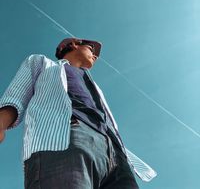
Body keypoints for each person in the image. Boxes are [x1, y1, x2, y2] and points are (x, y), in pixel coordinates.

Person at [0, 37, 147, 188]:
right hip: (66, 138)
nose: (95, 56)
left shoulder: (94, 85)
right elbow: (17, 92)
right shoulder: (43, 63)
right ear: (72, 45)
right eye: (91, 48)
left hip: (116, 155)